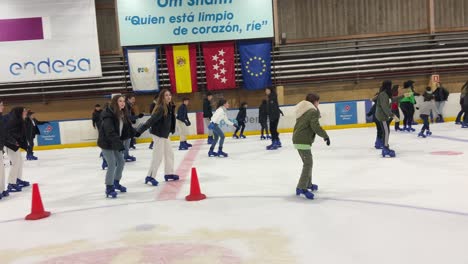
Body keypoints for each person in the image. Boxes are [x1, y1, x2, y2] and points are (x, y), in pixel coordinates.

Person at [136, 89, 179, 185]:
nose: (168, 97)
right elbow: (151, 120)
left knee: (169, 154)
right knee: (158, 156)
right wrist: (140, 131)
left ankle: (169, 173)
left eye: (169, 95)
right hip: (158, 134)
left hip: (165, 134)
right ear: (162, 97)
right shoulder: (161, 108)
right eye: (166, 95)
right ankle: (150, 176)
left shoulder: (170, 106)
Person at [292, 93, 330, 200]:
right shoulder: (312, 111)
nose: (319, 103)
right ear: (314, 102)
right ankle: (302, 187)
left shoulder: (304, 110)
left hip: (298, 139)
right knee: (308, 164)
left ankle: (308, 184)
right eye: (318, 101)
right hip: (302, 140)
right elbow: (315, 126)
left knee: (308, 163)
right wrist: (325, 136)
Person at [98, 95, 136, 198]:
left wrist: (136, 132)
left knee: (121, 161)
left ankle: (116, 182)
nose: (122, 103)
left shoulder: (123, 113)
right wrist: (120, 145)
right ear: (115, 102)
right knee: (111, 164)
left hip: (115, 142)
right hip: (106, 143)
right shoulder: (108, 115)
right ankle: (109, 187)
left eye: (123, 101)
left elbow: (128, 127)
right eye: (120, 101)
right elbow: (110, 132)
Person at [5, 107, 29, 192]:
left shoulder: (19, 120)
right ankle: (11, 183)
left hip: (16, 145)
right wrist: (14, 141)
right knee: (15, 163)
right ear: (19, 112)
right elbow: (7, 134)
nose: (26, 112)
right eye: (24, 111)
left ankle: (17, 179)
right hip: (11, 145)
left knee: (19, 161)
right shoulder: (13, 122)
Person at [375, 80, 402, 157]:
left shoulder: (386, 94)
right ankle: (385, 148)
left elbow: (392, 99)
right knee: (386, 132)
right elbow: (385, 107)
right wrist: (392, 115)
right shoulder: (383, 94)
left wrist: (403, 96)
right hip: (382, 116)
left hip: (384, 115)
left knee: (386, 131)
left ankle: (385, 146)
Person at [0, 100, 9, 199]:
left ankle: (2, 189)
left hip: (0, 147)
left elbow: (4, 133)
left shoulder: (1, 118)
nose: (3, 106)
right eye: (1, 105)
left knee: (1, 169)